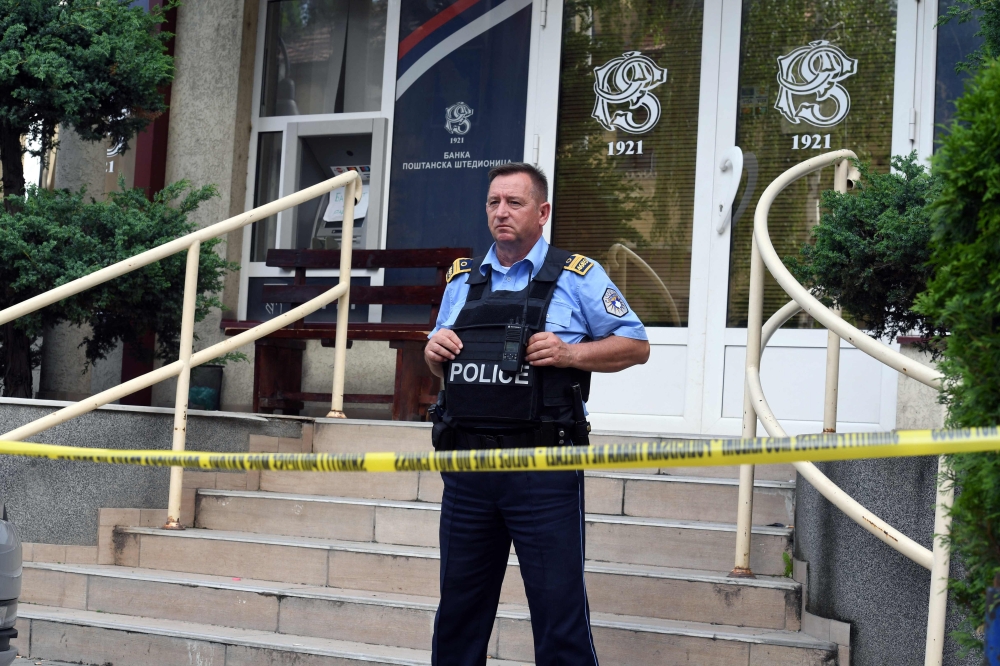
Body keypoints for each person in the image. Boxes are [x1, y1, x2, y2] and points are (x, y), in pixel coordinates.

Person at [423, 162, 649, 665]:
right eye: (493, 203)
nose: (500, 213)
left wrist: (571, 354)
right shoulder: (463, 280)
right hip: (467, 469)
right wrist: (433, 354)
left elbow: (635, 345)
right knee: (458, 614)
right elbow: (446, 367)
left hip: (542, 470)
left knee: (558, 615)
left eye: (514, 203)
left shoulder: (578, 276)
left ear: (542, 212)